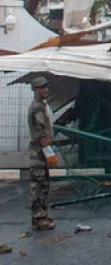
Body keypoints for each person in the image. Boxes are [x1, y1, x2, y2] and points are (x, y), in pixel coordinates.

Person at [27, 75, 55, 231]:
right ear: (36, 90)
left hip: (40, 149)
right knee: (38, 183)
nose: (46, 89)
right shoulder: (37, 106)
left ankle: (42, 214)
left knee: (44, 183)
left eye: (46, 87)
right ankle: (38, 217)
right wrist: (49, 153)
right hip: (38, 150)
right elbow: (40, 132)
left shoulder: (41, 105)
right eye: (42, 87)